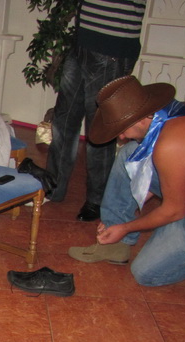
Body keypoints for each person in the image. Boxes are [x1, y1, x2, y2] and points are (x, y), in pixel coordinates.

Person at [67, 75, 185, 287]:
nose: (121, 137)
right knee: (130, 154)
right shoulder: (176, 112)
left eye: (122, 129)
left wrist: (126, 227)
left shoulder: (171, 144)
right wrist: (140, 191)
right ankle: (115, 244)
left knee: (147, 273)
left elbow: (174, 211)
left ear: (142, 117)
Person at [46, 0, 146, 222]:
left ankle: (97, 200)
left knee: (99, 128)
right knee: (63, 119)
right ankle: (53, 186)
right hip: (82, 41)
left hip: (112, 47)